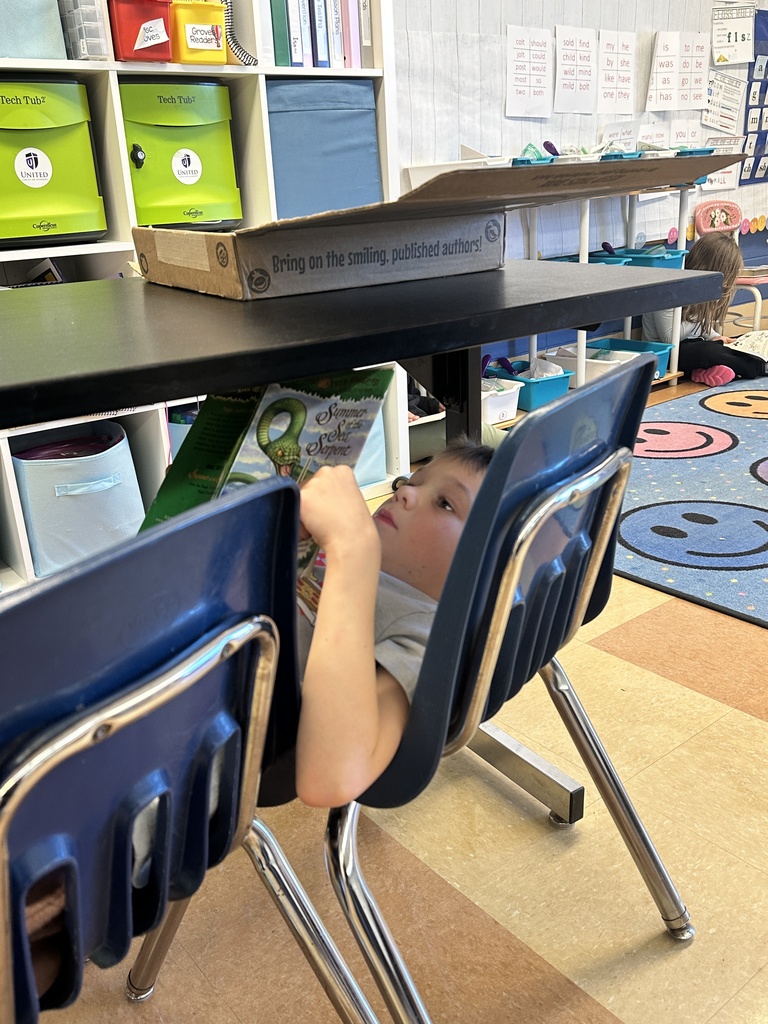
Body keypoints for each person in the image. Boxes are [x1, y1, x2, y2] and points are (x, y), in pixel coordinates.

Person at [295, 437, 494, 808]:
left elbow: (334, 778)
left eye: (446, 503)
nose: (404, 494)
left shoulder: (423, 631)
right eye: (413, 481)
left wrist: (353, 548)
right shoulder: (346, 558)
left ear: (483, 572)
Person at [641, 232, 763, 384]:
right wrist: (698, 309)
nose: (726, 284)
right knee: (708, 352)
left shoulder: (702, 290)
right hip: (668, 354)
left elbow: (701, 329)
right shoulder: (668, 289)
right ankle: (759, 366)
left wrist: (714, 336)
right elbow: (669, 337)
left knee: (741, 341)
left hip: (696, 344)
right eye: (726, 276)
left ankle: (707, 371)